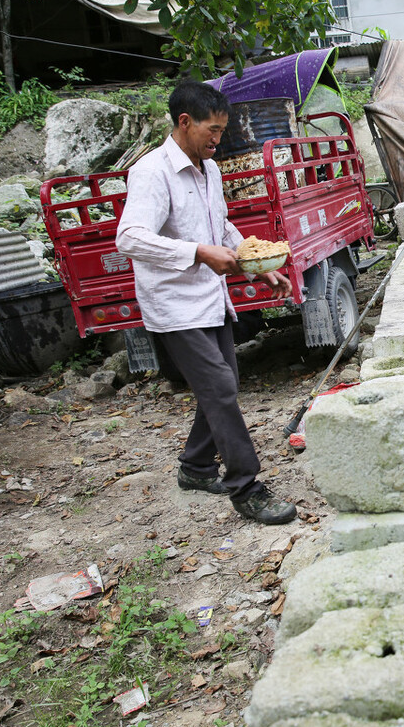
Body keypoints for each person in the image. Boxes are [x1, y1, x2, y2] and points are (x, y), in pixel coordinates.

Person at [116, 80, 297, 525]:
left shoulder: (210, 170)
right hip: (175, 304)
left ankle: (196, 468)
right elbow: (129, 237)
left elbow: (222, 227)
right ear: (184, 122)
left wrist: (258, 263)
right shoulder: (151, 172)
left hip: (211, 298)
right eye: (212, 130)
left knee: (224, 384)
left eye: (222, 129)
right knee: (219, 388)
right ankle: (246, 487)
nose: (219, 138)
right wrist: (197, 253)